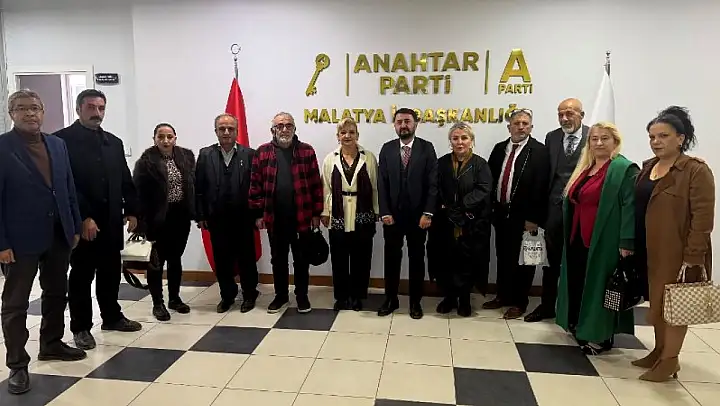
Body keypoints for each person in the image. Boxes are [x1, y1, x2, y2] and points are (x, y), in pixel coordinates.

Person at [0, 90, 87, 395]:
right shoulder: (2, 147)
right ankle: (17, 364)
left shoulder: (57, 144)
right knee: (15, 304)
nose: (30, 113)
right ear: (11, 113)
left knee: (56, 293)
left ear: (43, 111)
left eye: (35, 108)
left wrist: (74, 225)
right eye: (22, 108)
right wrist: (1, 243)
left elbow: (68, 187)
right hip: (19, 240)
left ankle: (51, 343)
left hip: (58, 235)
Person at [54, 89, 141, 351]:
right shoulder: (61, 141)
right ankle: (80, 327)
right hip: (83, 223)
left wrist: (132, 210)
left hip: (111, 221)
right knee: (81, 276)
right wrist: (83, 217)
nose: (97, 113)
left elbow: (124, 178)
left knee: (111, 272)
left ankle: (112, 317)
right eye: (91, 107)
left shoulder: (113, 142)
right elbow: (65, 184)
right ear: (79, 109)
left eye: (101, 108)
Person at [632, 106, 714, 382]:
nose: (656, 142)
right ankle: (659, 351)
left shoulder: (695, 170)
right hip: (648, 248)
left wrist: (694, 256)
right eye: (652, 137)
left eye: (663, 136)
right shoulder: (648, 167)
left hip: (677, 251)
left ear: (680, 138)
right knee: (656, 302)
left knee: (675, 307)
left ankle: (670, 361)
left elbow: (703, 217)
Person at [555, 122, 638, 355]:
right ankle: (581, 325)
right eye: (594, 138)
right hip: (578, 238)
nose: (599, 143)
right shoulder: (586, 167)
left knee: (601, 288)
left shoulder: (623, 169)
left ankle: (601, 336)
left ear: (615, 141)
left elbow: (630, 207)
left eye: (604, 138)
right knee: (580, 283)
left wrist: (627, 242)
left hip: (604, 240)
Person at [249, 112, 323, 314]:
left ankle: (302, 296)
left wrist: (316, 214)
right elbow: (255, 185)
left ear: (294, 129)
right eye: (280, 126)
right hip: (274, 219)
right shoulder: (262, 152)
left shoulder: (306, 151)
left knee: (301, 260)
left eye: (288, 125)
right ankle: (281, 296)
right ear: (272, 130)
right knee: (278, 260)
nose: (284, 129)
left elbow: (316, 184)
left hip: (302, 217)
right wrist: (258, 214)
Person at [526, 98, 589, 323]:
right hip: (553, 210)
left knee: (577, 262)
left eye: (569, 113)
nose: (564, 118)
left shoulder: (594, 137)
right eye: (560, 114)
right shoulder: (551, 137)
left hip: (581, 212)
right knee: (550, 263)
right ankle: (547, 306)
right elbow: (546, 175)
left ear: (582, 115)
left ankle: (574, 311)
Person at [484, 109, 550, 319]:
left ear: (531, 127)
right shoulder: (499, 149)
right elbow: (489, 180)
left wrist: (534, 218)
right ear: (509, 127)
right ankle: (502, 296)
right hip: (502, 215)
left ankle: (520, 303)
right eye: (517, 123)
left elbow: (542, 187)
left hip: (527, 218)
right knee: (503, 257)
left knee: (525, 262)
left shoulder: (539, 151)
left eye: (525, 124)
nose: (521, 127)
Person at [377, 107, 438, 320]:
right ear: (395, 125)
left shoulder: (427, 148)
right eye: (399, 122)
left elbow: (433, 184)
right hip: (392, 217)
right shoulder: (387, 149)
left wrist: (428, 213)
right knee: (391, 259)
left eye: (407, 121)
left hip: (418, 217)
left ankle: (415, 302)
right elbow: (381, 183)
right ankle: (390, 299)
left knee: (416, 259)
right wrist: (384, 211)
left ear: (415, 124)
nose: (403, 125)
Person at [196, 114, 259, 313]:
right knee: (222, 260)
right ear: (215, 131)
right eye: (221, 129)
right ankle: (227, 295)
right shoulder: (205, 155)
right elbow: (199, 188)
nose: (226, 132)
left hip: (244, 217)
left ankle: (249, 295)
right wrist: (201, 215)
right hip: (217, 218)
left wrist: (257, 215)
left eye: (230, 129)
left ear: (237, 131)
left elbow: (257, 187)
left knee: (246, 259)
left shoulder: (250, 154)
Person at [133, 123, 196, 321]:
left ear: (175, 138)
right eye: (161, 136)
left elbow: (193, 185)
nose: (165, 140)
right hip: (156, 218)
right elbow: (138, 194)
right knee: (156, 263)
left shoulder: (186, 156)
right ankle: (158, 303)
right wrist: (139, 221)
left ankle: (174, 299)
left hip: (180, 216)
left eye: (169, 136)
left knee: (175, 259)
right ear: (154, 139)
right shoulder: (145, 161)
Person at [433, 122, 493, 317]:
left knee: (467, 262)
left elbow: (483, 189)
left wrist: (461, 206)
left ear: (471, 141)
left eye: (464, 138)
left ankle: (465, 300)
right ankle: (449, 297)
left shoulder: (480, 164)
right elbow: (435, 187)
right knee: (446, 260)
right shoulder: (442, 163)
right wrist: (446, 206)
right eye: (455, 138)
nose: (460, 142)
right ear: (450, 141)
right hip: (445, 222)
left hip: (470, 222)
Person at [320, 117, 379, 311]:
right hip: (338, 214)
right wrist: (325, 212)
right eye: (343, 132)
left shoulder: (368, 157)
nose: (347, 136)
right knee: (339, 258)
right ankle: (341, 296)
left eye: (351, 132)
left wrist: (377, 210)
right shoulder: (330, 159)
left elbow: (375, 187)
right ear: (338, 136)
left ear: (357, 135)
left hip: (363, 213)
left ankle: (358, 296)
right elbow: (326, 188)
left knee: (361, 257)